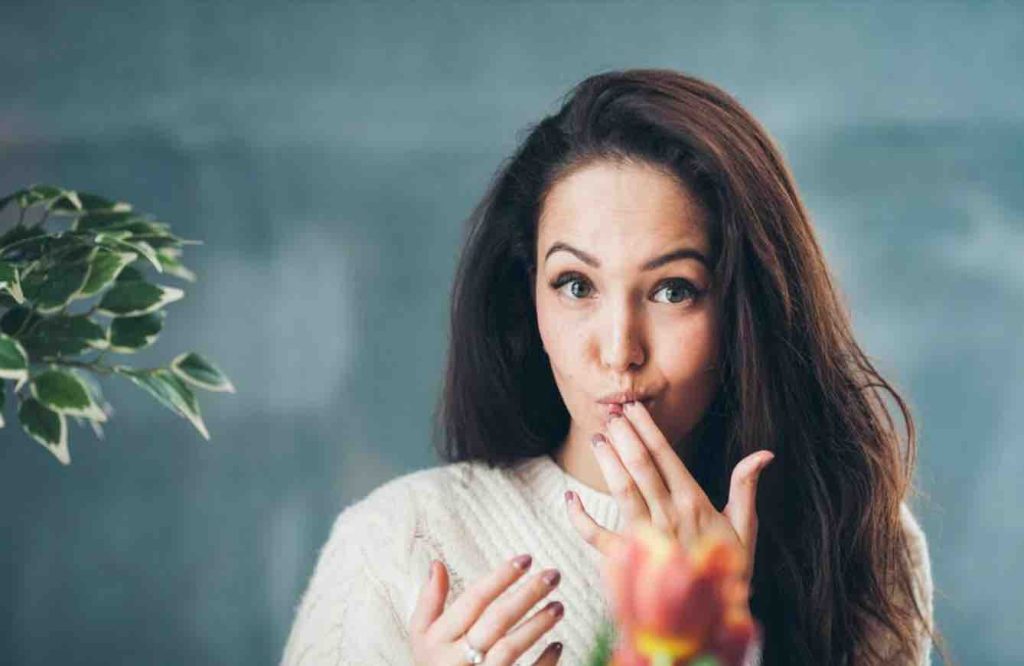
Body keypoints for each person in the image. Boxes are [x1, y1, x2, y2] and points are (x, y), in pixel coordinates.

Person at [281, 69, 944, 665]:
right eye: (576, 285)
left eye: (672, 290)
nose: (620, 348)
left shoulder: (856, 541)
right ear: (527, 298)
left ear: (745, 309)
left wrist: (708, 647)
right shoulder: (396, 544)